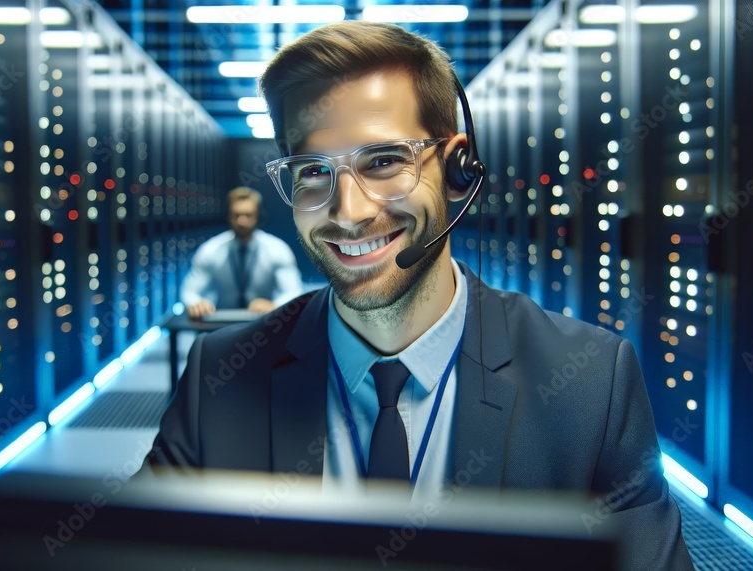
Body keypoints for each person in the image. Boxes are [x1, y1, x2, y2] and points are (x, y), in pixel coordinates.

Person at [143, 21, 693, 568]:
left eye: (383, 161)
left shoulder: (591, 383)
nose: (350, 213)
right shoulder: (217, 380)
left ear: (457, 170)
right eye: (313, 170)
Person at [179, 186, 303, 317]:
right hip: (220, 325)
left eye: (248, 215)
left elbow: (294, 292)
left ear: (258, 216)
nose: (241, 221)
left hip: (264, 323)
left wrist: (275, 306)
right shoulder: (210, 250)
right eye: (236, 215)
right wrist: (197, 303)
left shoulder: (278, 250)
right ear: (228, 216)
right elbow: (189, 292)